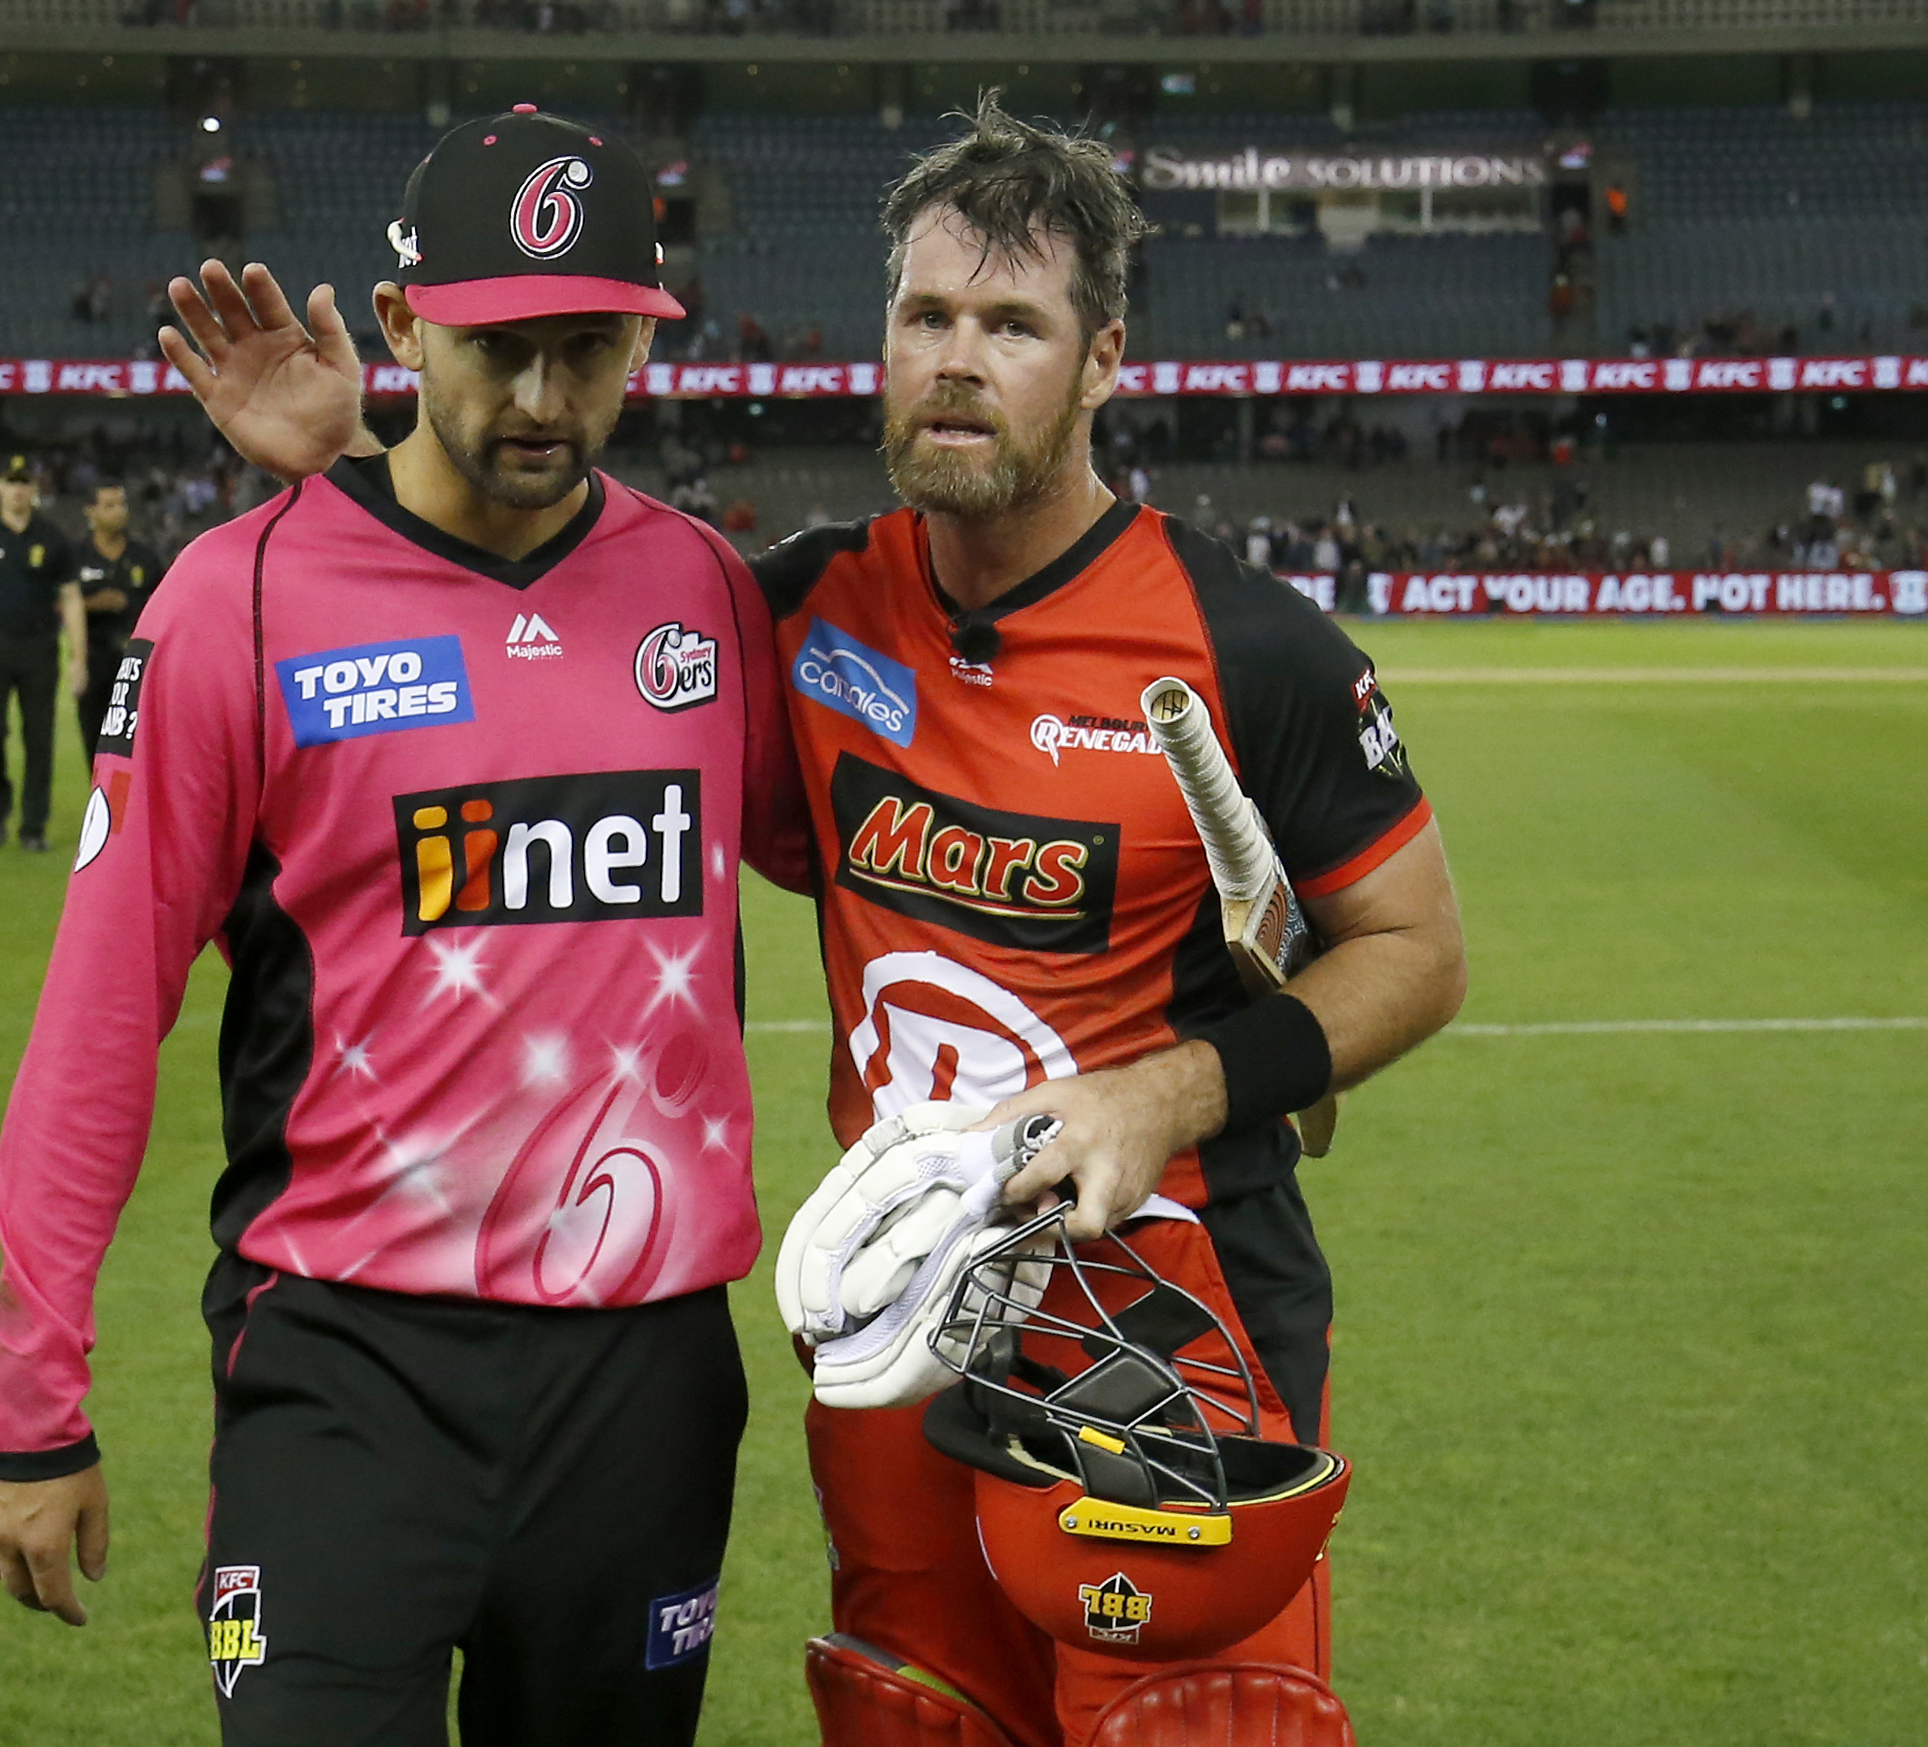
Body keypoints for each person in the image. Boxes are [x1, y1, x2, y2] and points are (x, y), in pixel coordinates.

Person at [197, 94, 1469, 1747]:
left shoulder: (1252, 651)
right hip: (899, 1336)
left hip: (1173, 1338)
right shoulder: (794, 610)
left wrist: (1175, 1089)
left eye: (1013, 324)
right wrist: (356, 471)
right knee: (911, 1720)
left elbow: (1417, 948)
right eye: (926, 315)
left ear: (1100, 360)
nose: (957, 358)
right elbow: (539, 641)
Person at [0, 106, 805, 1747]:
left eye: (590, 346)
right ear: (407, 325)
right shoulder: (236, 600)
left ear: (643, 333)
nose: (546, 401)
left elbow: (870, 859)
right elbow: (98, 1012)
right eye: (498, 349)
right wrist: (27, 1399)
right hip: (346, 1365)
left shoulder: (704, 594)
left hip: (644, 1384)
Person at [0, 457, 84, 852]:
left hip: (39, 647)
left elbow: (71, 596)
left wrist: (78, 654)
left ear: (33, 489)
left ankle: (33, 826)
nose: (19, 490)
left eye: (25, 483)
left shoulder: (53, 538)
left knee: (39, 739)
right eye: (12, 482)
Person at [68, 482, 166, 766]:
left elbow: (165, 602)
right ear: (91, 511)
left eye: (121, 504)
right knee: (95, 736)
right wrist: (95, 603)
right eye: (109, 505)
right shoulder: (76, 556)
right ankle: (102, 801)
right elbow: (57, 603)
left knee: (142, 738)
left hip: (138, 658)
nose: (119, 512)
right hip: (95, 655)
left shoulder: (143, 557)